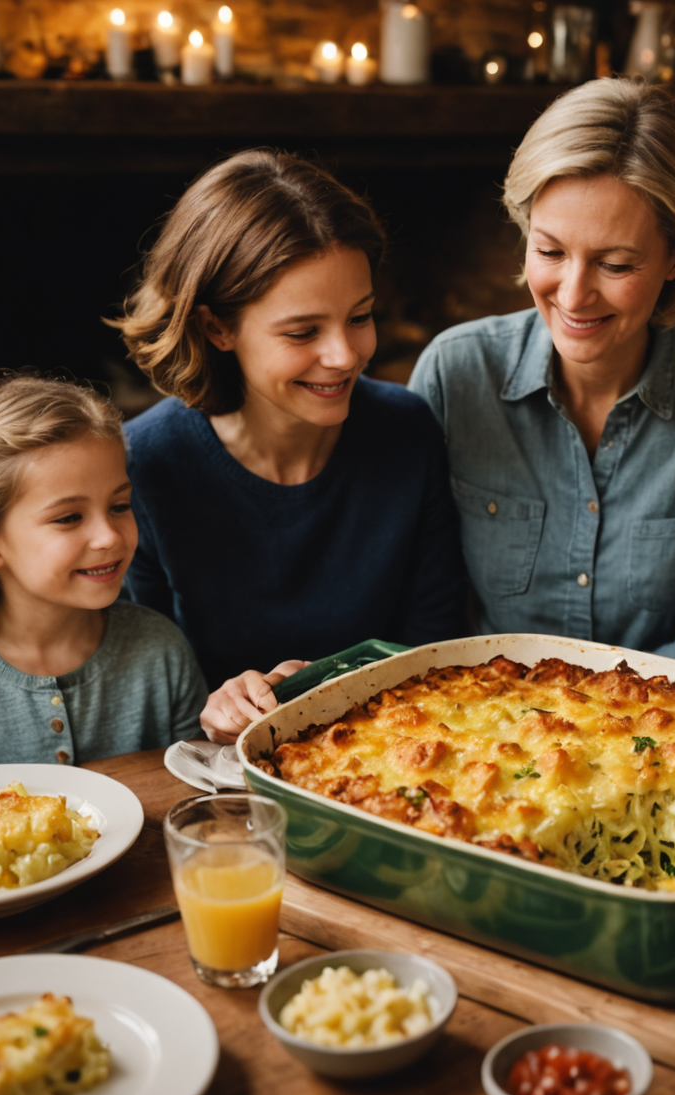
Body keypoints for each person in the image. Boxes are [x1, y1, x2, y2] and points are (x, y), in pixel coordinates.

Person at [409, 79, 675, 675]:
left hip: (661, 736)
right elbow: (415, 615)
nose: (575, 295)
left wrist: (581, 723)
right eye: (550, 252)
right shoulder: (455, 373)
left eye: (615, 264)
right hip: (474, 736)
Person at [115, 150, 467, 741]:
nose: (345, 355)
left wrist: (325, 687)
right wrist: (217, 703)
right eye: (303, 331)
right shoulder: (144, 464)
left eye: (360, 316)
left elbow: (433, 656)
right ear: (216, 327)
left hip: (394, 760)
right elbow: (147, 688)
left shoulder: (408, 433)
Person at [0, 375, 207, 785]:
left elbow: (198, 805)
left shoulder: (161, 652)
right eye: (69, 517)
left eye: (120, 505)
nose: (109, 537)